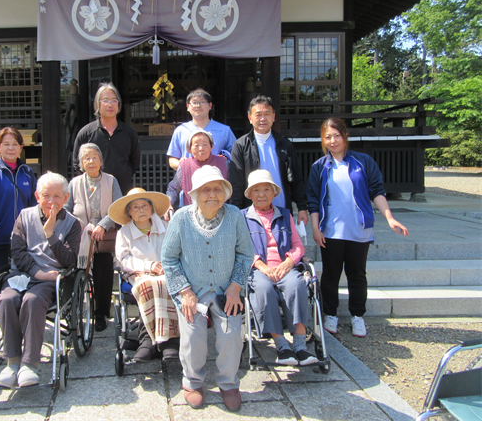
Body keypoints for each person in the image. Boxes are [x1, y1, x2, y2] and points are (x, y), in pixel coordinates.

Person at [161, 165, 254, 412]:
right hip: (191, 289)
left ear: (224, 193)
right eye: (205, 190)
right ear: (194, 194)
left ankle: (229, 383)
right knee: (193, 334)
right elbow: (168, 259)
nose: (212, 194)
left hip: (227, 288)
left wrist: (236, 287)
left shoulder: (234, 215)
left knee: (232, 333)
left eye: (217, 189)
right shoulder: (181, 218)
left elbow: (246, 254)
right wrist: (185, 292)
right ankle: (192, 382)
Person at [306, 118, 409, 338]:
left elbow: (376, 191)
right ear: (323, 140)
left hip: (359, 230)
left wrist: (389, 218)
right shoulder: (319, 167)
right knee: (331, 275)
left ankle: (357, 316)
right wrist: (316, 228)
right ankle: (330, 314)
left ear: (345, 136)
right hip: (331, 231)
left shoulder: (363, 162)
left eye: (336, 135)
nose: (332, 141)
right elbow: (313, 200)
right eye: (327, 137)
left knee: (357, 275)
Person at [0, 172, 81, 388]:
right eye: (46, 195)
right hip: (22, 275)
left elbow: (69, 260)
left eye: (57, 196)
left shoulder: (73, 224)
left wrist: (50, 234)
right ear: (36, 196)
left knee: (32, 301)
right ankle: (12, 362)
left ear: (66, 198)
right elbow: (18, 252)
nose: (51, 201)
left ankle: (29, 364)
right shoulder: (24, 216)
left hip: (50, 280)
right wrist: (37, 272)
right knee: (6, 300)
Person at [242, 170, 317, 366]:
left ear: (274, 193)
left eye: (266, 189)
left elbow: (298, 245)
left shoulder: (284, 214)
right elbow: (241, 248)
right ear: (249, 194)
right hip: (259, 270)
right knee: (263, 289)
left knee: (297, 285)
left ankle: (300, 346)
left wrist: (288, 262)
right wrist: (261, 266)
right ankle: (282, 345)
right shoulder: (242, 217)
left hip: (285, 267)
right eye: (256, 190)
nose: (261, 194)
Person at [109, 188, 180, 362]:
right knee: (149, 285)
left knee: (168, 283)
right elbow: (124, 259)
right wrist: (149, 266)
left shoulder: (164, 226)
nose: (141, 210)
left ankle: (169, 342)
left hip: (164, 271)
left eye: (144, 205)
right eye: (135, 207)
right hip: (137, 274)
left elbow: (176, 249)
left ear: (152, 208)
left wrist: (166, 265)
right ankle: (148, 341)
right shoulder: (124, 233)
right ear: (129, 213)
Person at [66, 143, 122, 332]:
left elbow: (117, 208)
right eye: (86, 158)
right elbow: (66, 210)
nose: (91, 161)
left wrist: (102, 226)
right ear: (81, 163)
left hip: (104, 238)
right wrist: (82, 227)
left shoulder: (111, 180)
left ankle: (100, 313)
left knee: (103, 272)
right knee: (76, 272)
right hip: (81, 238)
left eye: (94, 157)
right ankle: (77, 309)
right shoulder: (74, 183)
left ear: (100, 160)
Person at [229, 95, 309, 227]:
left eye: (267, 114)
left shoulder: (285, 145)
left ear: (274, 117)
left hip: (281, 210)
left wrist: (302, 208)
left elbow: (297, 179)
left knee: (282, 247)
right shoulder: (241, 146)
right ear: (250, 118)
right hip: (251, 214)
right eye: (258, 114)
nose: (262, 118)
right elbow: (236, 183)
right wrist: (235, 212)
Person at [0, 127, 37, 273]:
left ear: (21, 148)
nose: (11, 148)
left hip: (24, 240)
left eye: (15, 144)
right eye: (6, 144)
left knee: (24, 283)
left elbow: (34, 205)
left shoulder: (27, 172)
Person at [72, 82, 140, 194]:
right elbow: (77, 162)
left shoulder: (129, 133)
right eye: (105, 100)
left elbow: (135, 162)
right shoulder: (87, 132)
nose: (110, 104)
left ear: (119, 104)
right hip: (93, 190)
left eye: (114, 100)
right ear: (97, 104)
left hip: (123, 189)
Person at [166, 88, 236, 170]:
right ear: (188, 107)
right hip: (189, 178)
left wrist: (224, 159)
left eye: (202, 102)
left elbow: (235, 156)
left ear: (210, 106)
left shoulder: (225, 130)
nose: (198, 105)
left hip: (216, 178)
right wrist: (182, 164)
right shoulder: (180, 130)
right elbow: (172, 159)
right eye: (194, 102)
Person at [165, 129, 228, 217]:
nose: (201, 148)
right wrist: (168, 204)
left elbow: (233, 187)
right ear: (189, 149)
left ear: (211, 146)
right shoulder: (184, 166)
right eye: (196, 145)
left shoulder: (223, 162)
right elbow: (173, 188)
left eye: (205, 144)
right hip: (192, 217)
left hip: (221, 214)